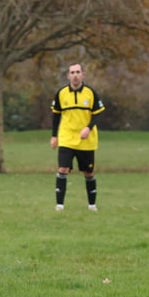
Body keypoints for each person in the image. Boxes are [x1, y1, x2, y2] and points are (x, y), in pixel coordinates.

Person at [50, 63, 105, 212]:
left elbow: (97, 113)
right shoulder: (61, 93)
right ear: (68, 76)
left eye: (78, 72)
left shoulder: (90, 93)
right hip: (67, 137)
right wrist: (54, 136)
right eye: (72, 72)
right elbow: (56, 115)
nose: (75, 75)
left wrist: (88, 127)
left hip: (86, 140)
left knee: (89, 173)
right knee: (63, 168)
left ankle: (92, 205)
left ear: (83, 75)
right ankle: (59, 205)